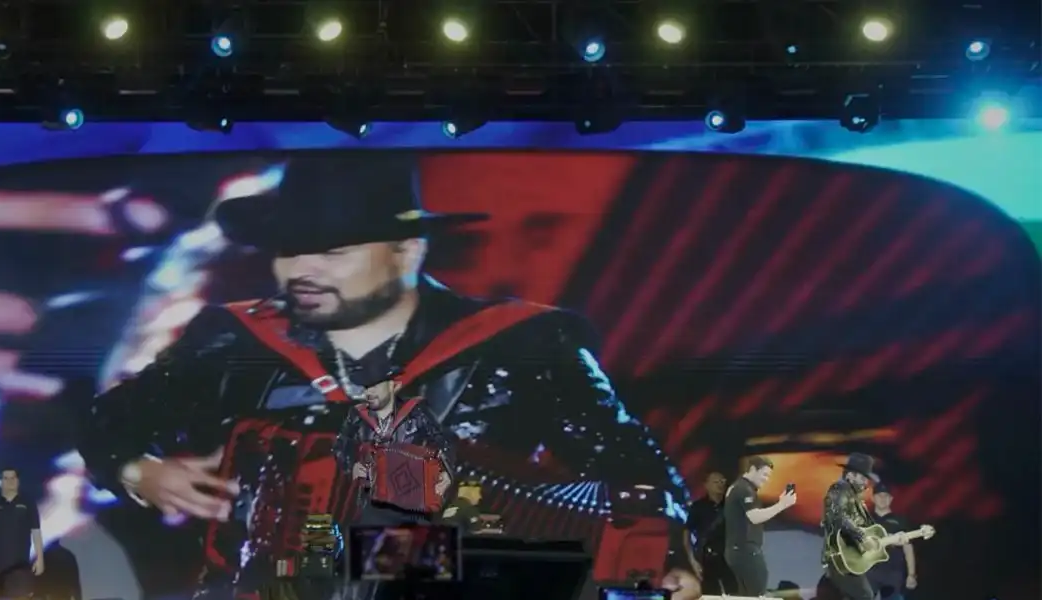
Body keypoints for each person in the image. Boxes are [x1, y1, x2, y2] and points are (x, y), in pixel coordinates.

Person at [72, 155, 696, 599]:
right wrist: (140, 471)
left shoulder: (523, 344)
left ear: (407, 250)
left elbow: (634, 469)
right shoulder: (232, 339)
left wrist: (673, 555)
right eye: (290, 251)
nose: (302, 271)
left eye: (334, 252)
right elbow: (110, 419)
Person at [334, 380, 456, 525]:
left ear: (393, 386)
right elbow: (340, 446)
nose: (369, 392)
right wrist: (352, 465)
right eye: (366, 387)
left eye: (375, 386)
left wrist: (447, 472)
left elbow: (444, 441)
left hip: (415, 501)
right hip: (374, 501)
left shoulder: (416, 411)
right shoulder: (358, 415)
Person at [722, 456, 796, 596]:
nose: (766, 479)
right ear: (752, 469)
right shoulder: (744, 489)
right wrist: (782, 505)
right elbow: (754, 517)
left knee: (746, 594)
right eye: (764, 474)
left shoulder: (737, 487)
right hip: (746, 550)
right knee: (756, 592)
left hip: (736, 550)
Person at [0, 467, 45, 600]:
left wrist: (40, 558)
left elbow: (36, 531)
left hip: (19, 567)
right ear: (0, 482)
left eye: (13, 478)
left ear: (18, 481)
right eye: (6, 478)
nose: (10, 481)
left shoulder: (27, 503)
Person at [817, 453, 879, 600]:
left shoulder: (856, 500)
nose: (865, 483)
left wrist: (894, 539)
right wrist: (862, 537)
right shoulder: (840, 488)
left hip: (851, 559)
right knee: (864, 596)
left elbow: (869, 528)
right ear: (850, 475)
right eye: (862, 478)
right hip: (840, 558)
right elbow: (838, 515)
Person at [684, 471, 734, 595]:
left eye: (722, 482)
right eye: (716, 482)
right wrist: (692, 560)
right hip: (707, 559)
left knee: (735, 594)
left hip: (731, 558)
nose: (720, 485)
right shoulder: (698, 507)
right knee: (710, 595)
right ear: (706, 485)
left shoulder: (733, 505)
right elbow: (687, 533)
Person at [866, 483, 916, 599]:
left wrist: (911, 575)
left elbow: (908, 548)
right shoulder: (865, 521)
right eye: (879, 495)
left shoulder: (901, 521)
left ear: (891, 499)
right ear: (873, 498)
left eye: (886, 496)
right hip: (869, 572)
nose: (883, 499)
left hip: (894, 573)